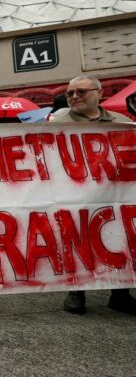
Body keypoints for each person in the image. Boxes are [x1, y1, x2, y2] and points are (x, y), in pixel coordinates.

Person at [49, 76, 135, 315]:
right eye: (70, 93)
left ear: (99, 93)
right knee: (77, 238)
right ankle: (77, 291)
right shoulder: (56, 123)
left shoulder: (122, 122)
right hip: (75, 194)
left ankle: (121, 294)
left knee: (120, 239)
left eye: (81, 92)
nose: (74, 97)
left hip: (114, 193)